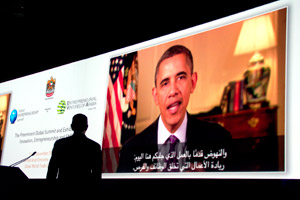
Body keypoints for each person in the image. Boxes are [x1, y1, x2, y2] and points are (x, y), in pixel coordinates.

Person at [118, 45, 232, 172]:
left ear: (193, 83)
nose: (173, 91)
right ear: (155, 95)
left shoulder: (219, 139)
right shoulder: (130, 150)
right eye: (165, 83)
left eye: (180, 77)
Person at [47, 114, 102, 183]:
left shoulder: (60, 144)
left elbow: (52, 170)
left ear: (72, 126)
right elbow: (97, 174)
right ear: (86, 127)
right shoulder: (94, 146)